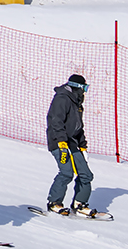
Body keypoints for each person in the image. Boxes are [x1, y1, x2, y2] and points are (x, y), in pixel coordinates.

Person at [45, 73, 105, 217]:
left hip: (71, 142)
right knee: (66, 172)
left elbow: (78, 126)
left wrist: (82, 144)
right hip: (59, 142)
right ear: (77, 87)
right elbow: (56, 121)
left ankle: (79, 204)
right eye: (84, 87)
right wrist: (61, 141)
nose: (85, 91)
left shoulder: (76, 103)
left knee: (86, 175)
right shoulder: (62, 99)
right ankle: (54, 202)